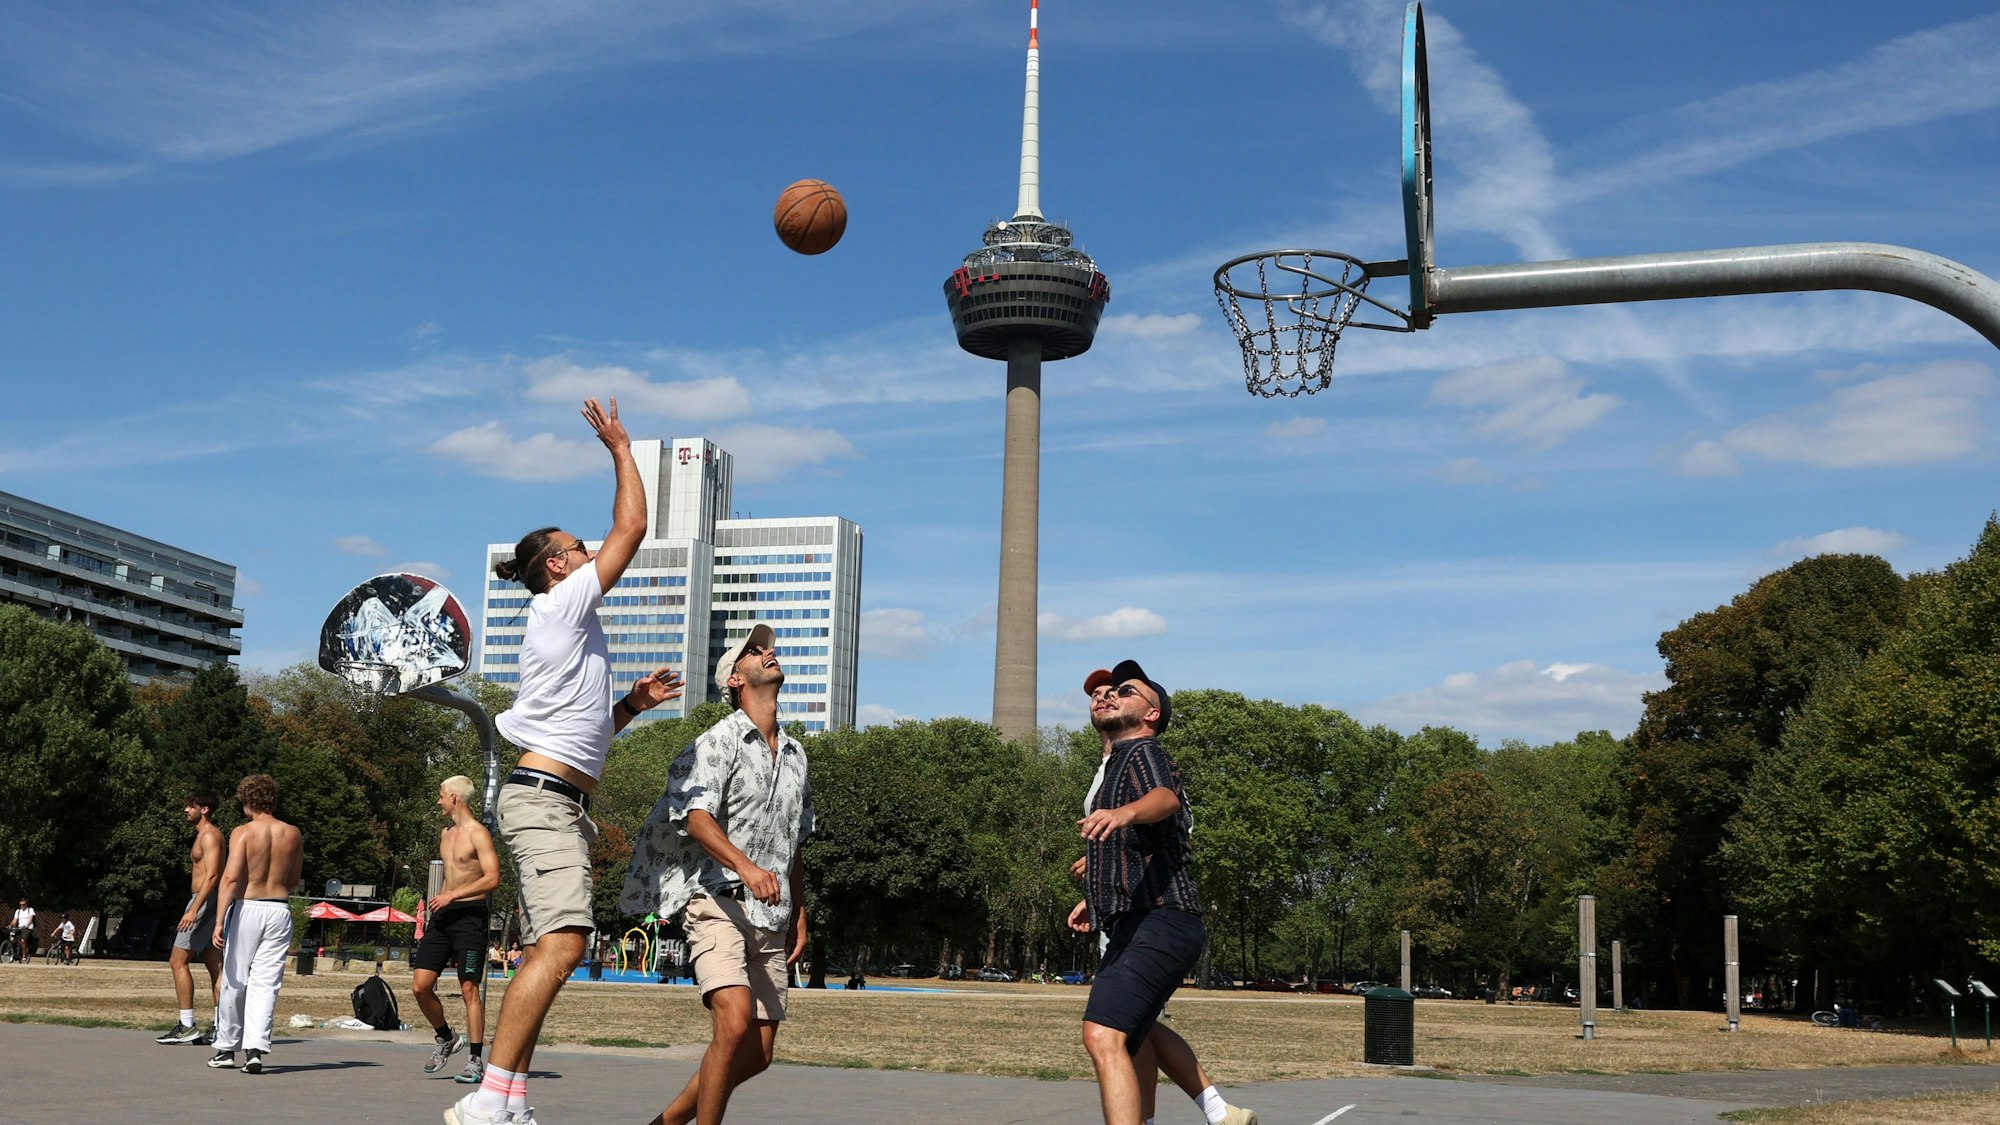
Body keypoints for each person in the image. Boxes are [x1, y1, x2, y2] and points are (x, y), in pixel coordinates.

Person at [447, 396, 686, 1125]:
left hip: (558, 794)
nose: (590, 553)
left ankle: (511, 1097)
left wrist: (631, 708)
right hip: (543, 798)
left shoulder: (570, 631)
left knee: (556, 945)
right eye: (579, 548)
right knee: (563, 942)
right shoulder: (560, 606)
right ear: (557, 565)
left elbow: (583, 736)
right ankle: (489, 1094)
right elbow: (634, 526)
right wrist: (620, 447)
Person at [622, 622, 814, 1125]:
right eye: (754, 652)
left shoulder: (796, 755)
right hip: (717, 901)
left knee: (758, 1054)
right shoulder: (718, 741)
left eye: (768, 649)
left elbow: (795, 842)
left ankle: (664, 1123)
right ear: (734, 679)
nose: (767, 654)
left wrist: (801, 911)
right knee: (731, 1028)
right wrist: (745, 866)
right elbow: (694, 816)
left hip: (772, 915)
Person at [1070, 669, 1256, 1125]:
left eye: (1125, 691)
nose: (1110, 695)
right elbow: (1142, 845)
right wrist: (1094, 890)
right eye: (1104, 692)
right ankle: (1216, 1113)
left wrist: (1126, 812)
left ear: (1151, 714)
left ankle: (1214, 1110)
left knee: (1103, 1033)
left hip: (1161, 918)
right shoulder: (1116, 763)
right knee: (1130, 1032)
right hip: (1144, 920)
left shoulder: (1142, 750)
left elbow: (1165, 800)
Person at [208, 774, 303, 1075]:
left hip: (248, 907)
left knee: (235, 979)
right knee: (266, 983)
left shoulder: (243, 832)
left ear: (248, 802)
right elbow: (292, 880)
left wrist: (219, 920)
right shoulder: (292, 833)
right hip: (279, 909)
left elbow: (231, 878)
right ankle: (255, 1050)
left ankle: (226, 1048)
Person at [411, 776, 501, 1084]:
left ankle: (475, 1060)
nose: (437, 801)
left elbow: (492, 878)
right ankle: (446, 1037)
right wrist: (440, 899)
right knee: (420, 986)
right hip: (442, 917)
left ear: (454, 798)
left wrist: (454, 894)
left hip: (470, 917)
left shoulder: (479, 833)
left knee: (468, 988)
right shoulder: (445, 833)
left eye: (440, 796)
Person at [158, 791, 226, 1045]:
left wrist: (193, 909)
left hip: (204, 900)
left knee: (177, 960)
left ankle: (187, 1025)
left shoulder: (209, 835)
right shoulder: (204, 835)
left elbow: (211, 876)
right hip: (208, 900)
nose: (186, 810)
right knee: (214, 964)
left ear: (205, 809)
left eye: (191, 806)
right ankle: (221, 1026)